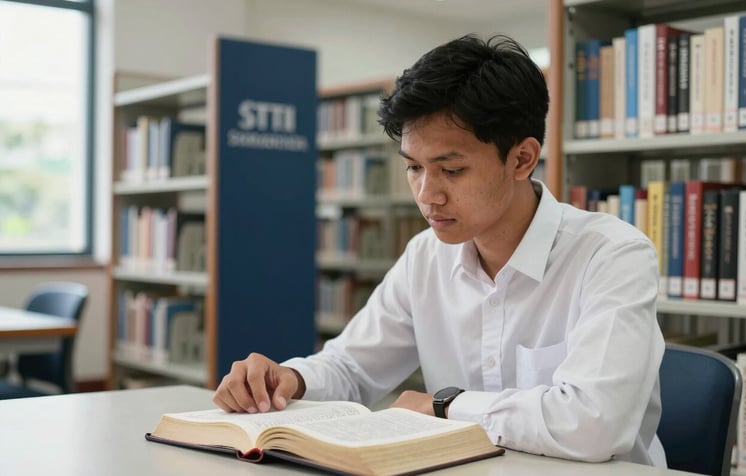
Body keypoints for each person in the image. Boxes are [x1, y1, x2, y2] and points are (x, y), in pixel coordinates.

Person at [213, 34, 666, 467]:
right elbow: (353, 367)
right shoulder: (426, 255)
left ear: (522, 159)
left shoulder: (611, 256)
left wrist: (447, 406)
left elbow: (594, 424)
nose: (428, 195)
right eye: (413, 168)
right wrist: (290, 380)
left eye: (451, 169)